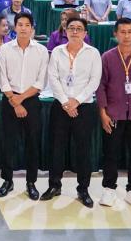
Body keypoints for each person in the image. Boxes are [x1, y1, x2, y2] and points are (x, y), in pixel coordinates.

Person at [95, 17, 131, 209]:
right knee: (111, 152)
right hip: (114, 112)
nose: (126, 36)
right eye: (122, 32)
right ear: (115, 34)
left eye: (130, 32)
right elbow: (101, 86)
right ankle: (109, 188)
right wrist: (103, 112)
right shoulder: (107, 57)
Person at [43, 14, 101, 205]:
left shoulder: (93, 53)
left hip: (84, 107)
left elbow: (94, 80)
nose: (75, 32)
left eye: (79, 29)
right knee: (56, 148)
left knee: (83, 149)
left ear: (85, 33)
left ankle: (83, 189)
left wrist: (76, 101)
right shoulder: (57, 51)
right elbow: (53, 78)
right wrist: (65, 102)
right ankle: (54, 185)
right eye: (71, 28)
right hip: (60, 107)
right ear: (65, 31)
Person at [0, 12, 49, 201]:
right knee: (8, 142)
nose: (24, 28)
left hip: (31, 101)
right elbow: (2, 78)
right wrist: (14, 99)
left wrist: (22, 99)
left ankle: (31, 182)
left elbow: (41, 81)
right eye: (20, 24)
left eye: (27, 25)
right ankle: (7, 180)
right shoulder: (5, 49)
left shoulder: (41, 51)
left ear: (32, 28)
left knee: (32, 143)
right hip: (9, 99)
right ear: (15, 27)